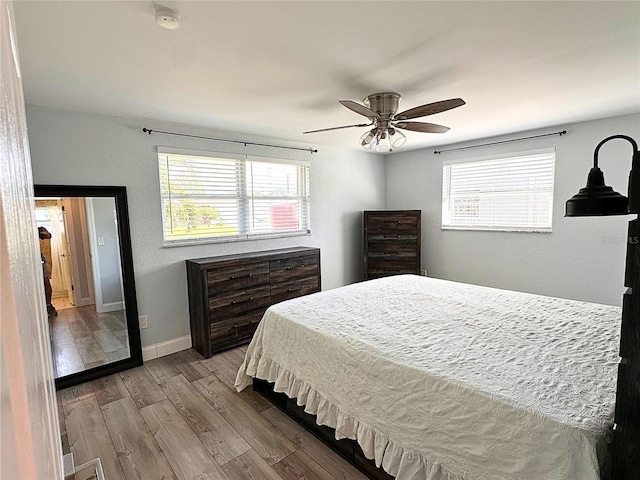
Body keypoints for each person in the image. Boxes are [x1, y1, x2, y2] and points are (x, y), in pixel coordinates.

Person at [38, 226, 58, 316]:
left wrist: (43, 232)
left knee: (46, 283)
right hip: (34, 263)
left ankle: (48, 305)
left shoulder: (38, 230)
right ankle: (42, 306)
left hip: (42, 261)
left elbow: (49, 236)